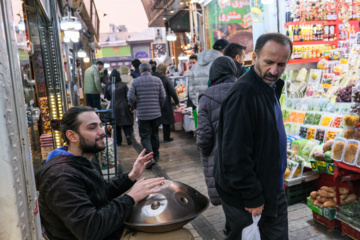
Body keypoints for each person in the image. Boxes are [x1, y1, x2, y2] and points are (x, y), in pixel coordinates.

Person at [36, 106, 193, 240]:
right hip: (101, 234)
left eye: (100, 125)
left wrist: (131, 176)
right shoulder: (61, 177)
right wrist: (130, 198)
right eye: (92, 128)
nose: (102, 132)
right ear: (72, 136)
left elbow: (100, 193)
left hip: (109, 230)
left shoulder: (85, 159)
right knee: (182, 236)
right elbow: (89, 229)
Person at [214, 33, 292, 239]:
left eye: (281, 64)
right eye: (269, 62)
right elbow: (234, 153)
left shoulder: (269, 87)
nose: (274, 71)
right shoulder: (244, 94)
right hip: (249, 197)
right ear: (255, 56)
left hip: (269, 187)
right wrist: (252, 196)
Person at [196, 56, 237, 235]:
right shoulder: (243, 91)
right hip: (244, 156)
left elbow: (204, 138)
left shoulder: (206, 98)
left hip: (219, 158)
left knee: (226, 194)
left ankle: (232, 227)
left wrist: (204, 151)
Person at [128, 63, 166, 169]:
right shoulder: (158, 80)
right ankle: (156, 155)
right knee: (155, 135)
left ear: (140, 71)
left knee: (145, 136)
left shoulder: (136, 81)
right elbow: (163, 96)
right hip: (156, 114)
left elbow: (130, 97)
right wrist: (159, 107)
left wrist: (136, 106)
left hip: (143, 114)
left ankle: (150, 158)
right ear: (150, 70)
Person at [188, 39, 228, 108]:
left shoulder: (195, 66)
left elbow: (191, 91)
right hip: (217, 108)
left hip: (201, 108)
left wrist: (199, 105)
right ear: (224, 50)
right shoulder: (221, 65)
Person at [104, 70, 133, 146]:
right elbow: (128, 96)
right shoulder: (123, 85)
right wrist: (131, 107)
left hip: (113, 107)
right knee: (126, 123)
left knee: (116, 125)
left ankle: (118, 141)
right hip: (124, 106)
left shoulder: (108, 85)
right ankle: (128, 135)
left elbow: (106, 97)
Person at [154, 63, 180, 142]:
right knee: (166, 121)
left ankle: (155, 139)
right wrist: (177, 102)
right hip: (165, 102)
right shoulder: (165, 78)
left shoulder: (153, 78)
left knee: (155, 122)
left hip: (155, 102)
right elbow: (172, 91)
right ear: (164, 70)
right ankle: (166, 138)